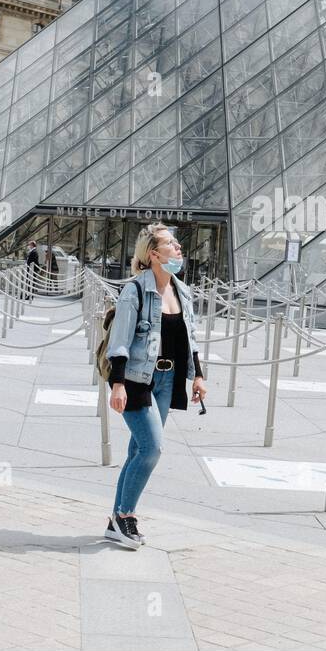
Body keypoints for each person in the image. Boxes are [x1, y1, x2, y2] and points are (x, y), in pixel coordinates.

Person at [103, 223, 206, 548]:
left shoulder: (181, 290)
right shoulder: (135, 290)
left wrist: (198, 376)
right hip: (136, 379)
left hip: (167, 380)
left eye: (177, 245)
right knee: (151, 449)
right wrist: (118, 384)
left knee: (138, 449)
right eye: (170, 245)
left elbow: (190, 338)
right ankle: (126, 517)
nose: (178, 249)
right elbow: (119, 342)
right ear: (153, 254)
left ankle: (115, 519)